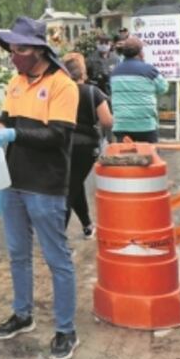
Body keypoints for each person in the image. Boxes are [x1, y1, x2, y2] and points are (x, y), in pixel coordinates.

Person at [0, 16, 80, 359]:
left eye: (20, 49)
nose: (13, 55)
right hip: (13, 181)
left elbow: (58, 137)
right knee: (17, 253)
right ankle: (23, 314)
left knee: (56, 258)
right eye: (12, 49)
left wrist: (13, 134)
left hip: (46, 186)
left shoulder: (64, 85)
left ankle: (66, 329)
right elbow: (9, 121)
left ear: (38, 50)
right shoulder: (15, 82)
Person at [62, 54, 113, 239]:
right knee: (70, 189)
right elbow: (107, 121)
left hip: (63, 143)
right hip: (86, 147)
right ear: (83, 71)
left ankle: (87, 226)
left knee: (74, 185)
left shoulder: (60, 92)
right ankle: (58, 238)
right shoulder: (93, 92)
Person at [110, 36, 169, 143]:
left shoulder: (115, 72)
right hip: (146, 126)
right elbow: (164, 88)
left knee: (124, 158)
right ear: (140, 53)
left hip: (122, 126)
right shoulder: (149, 70)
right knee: (149, 158)